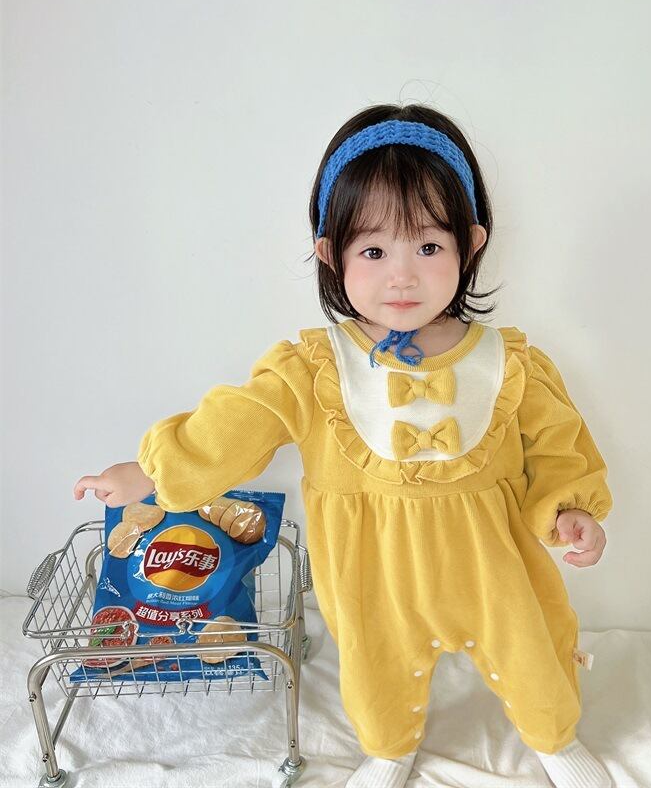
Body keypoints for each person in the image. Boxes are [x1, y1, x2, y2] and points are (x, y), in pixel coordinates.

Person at [74, 103, 614, 788]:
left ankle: (554, 737)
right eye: (374, 251)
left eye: (428, 247)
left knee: (532, 648)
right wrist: (151, 471)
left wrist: (570, 507)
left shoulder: (509, 363)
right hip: (371, 567)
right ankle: (389, 747)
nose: (402, 275)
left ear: (470, 244)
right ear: (332, 253)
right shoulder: (314, 368)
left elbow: (561, 443)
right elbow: (235, 426)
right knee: (374, 660)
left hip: (495, 561)